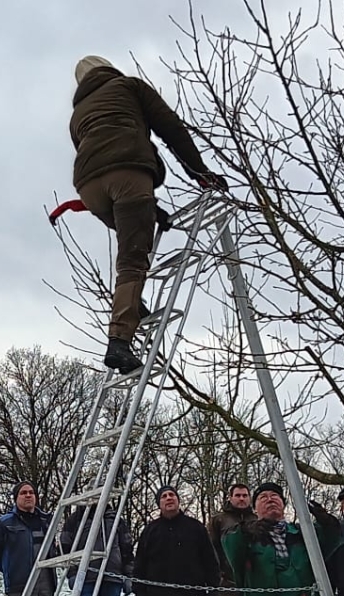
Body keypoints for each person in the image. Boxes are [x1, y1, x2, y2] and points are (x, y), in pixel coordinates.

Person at [68, 54, 226, 374]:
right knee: (133, 258)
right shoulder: (129, 87)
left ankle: (133, 300)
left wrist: (151, 210)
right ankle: (119, 341)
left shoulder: (77, 115)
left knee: (130, 237)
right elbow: (170, 127)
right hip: (128, 171)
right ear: (108, 67)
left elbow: (98, 157)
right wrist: (199, 172)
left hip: (88, 187)